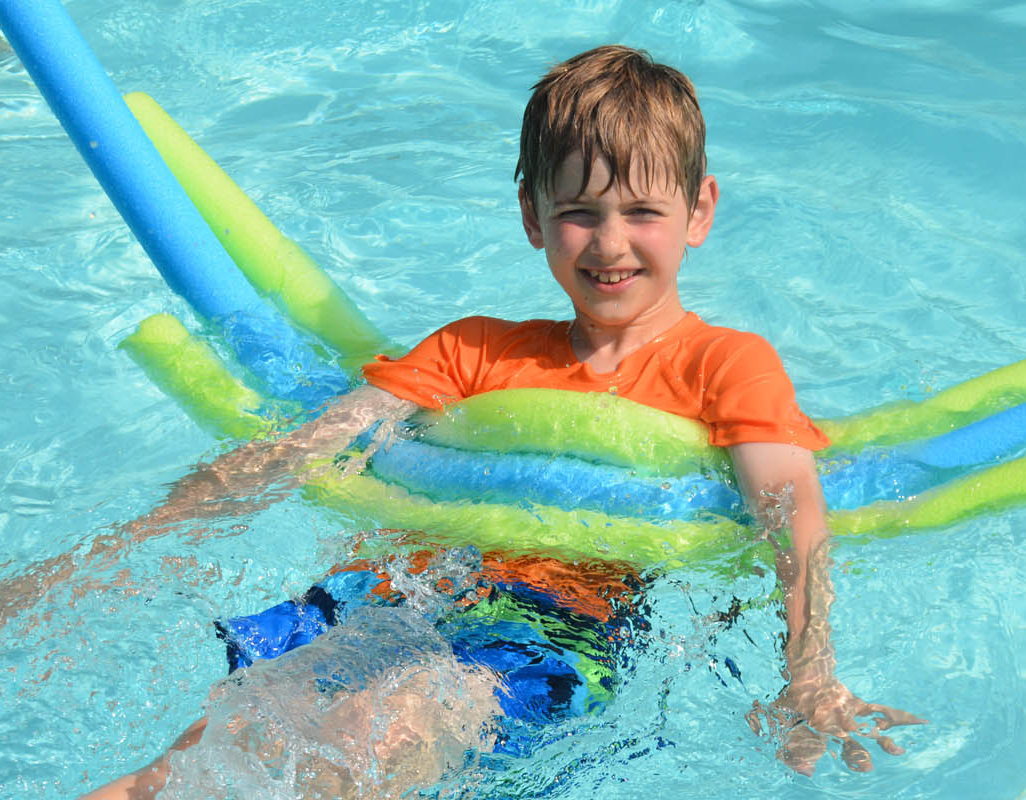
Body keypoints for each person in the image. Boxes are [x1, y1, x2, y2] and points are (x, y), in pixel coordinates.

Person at [75, 45, 923, 798]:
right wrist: (121, 546)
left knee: (380, 737)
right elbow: (325, 438)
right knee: (201, 757)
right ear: (533, 216)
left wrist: (808, 672)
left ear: (699, 211)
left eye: (643, 213)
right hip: (396, 588)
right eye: (580, 212)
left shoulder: (725, 366)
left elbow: (787, 506)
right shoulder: (474, 351)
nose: (610, 243)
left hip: (557, 622)